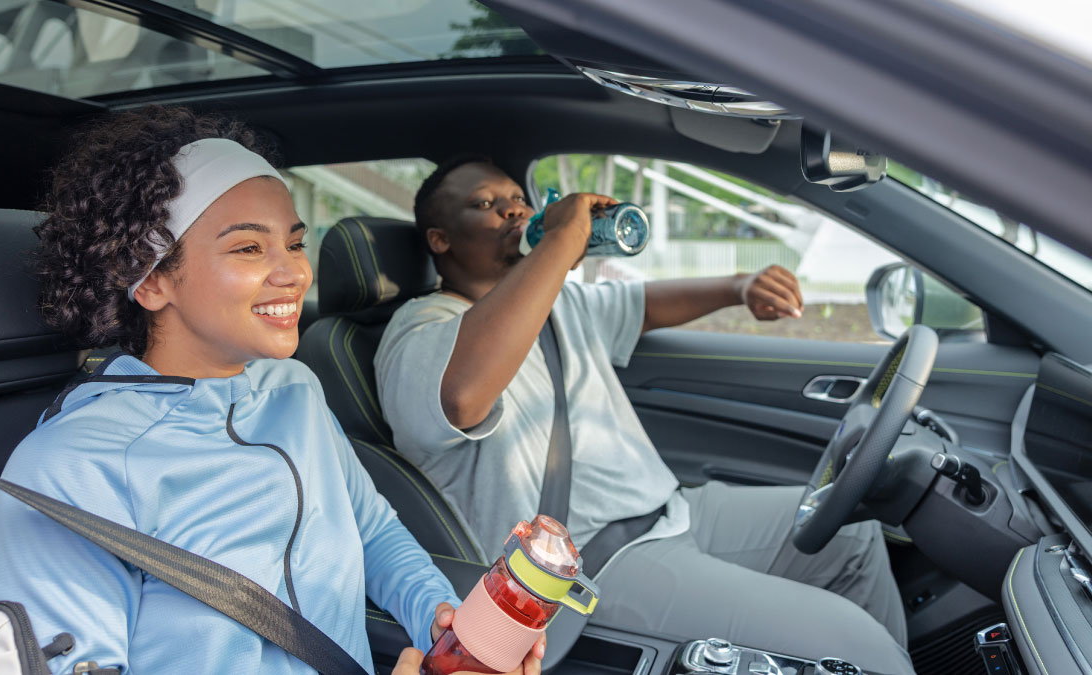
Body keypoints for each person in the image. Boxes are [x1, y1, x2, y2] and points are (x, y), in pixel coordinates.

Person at [0, 111, 543, 675]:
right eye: (248, 248)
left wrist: (450, 632)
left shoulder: (295, 388)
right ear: (150, 280)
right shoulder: (72, 467)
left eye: (294, 244)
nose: (294, 273)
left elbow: (373, 531)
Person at [374, 156, 914, 673]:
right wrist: (560, 243)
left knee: (854, 537)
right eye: (486, 203)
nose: (513, 210)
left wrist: (738, 287)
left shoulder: (559, 302)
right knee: (862, 648)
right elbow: (462, 396)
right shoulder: (419, 330)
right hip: (595, 565)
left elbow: (644, 304)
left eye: (518, 198)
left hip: (673, 512)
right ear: (440, 240)